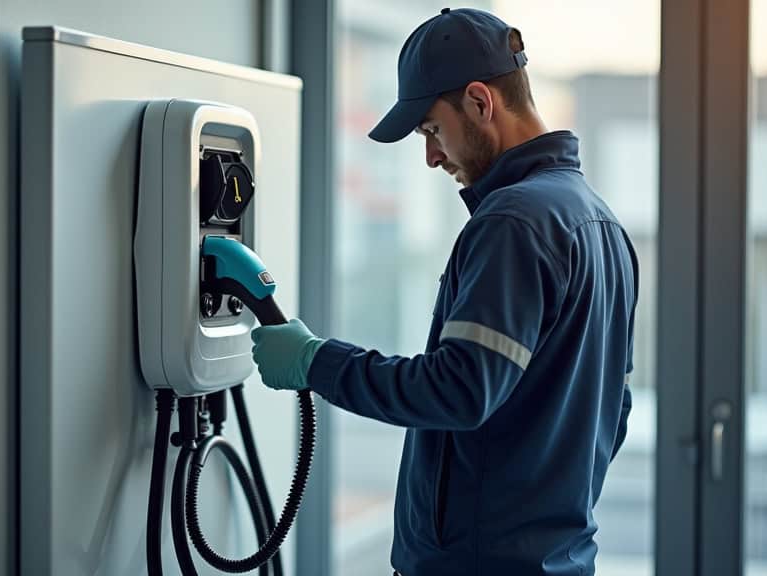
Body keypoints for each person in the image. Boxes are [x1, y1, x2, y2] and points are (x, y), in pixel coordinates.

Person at [250, 7, 639, 576]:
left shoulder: (514, 222)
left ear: (481, 102)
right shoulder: (600, 223)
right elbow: (615, 409)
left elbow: (459, 390)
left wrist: (316, 362)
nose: (432, 156)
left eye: (433, 130)